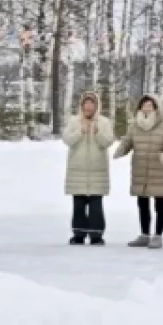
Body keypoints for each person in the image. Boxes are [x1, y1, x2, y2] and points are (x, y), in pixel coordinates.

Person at [114, 94, 163, 248]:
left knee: (159, 202)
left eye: (150, 105)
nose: (147, 107)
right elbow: (127, 141)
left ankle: (158, 236)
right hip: (140, 168)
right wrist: (120, 150)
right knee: (142, 203)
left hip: (158, 168)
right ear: (140, 107)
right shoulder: (134, 125)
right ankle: (145, 234)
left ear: (156, 107)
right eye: (144, 104)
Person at [63, 91, 115, 245]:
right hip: (77, 169)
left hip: (97, 169)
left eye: (92, 103)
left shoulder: (104, 122)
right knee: (78, 204)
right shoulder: (74, 121)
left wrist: (97, 132)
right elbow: (67, 139)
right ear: (81, 105)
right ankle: (78, 235)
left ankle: (96, 235)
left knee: (96, 205)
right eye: (86, 103)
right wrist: (81, 131)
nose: (89, 106)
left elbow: (108, 141)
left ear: (96, 106)